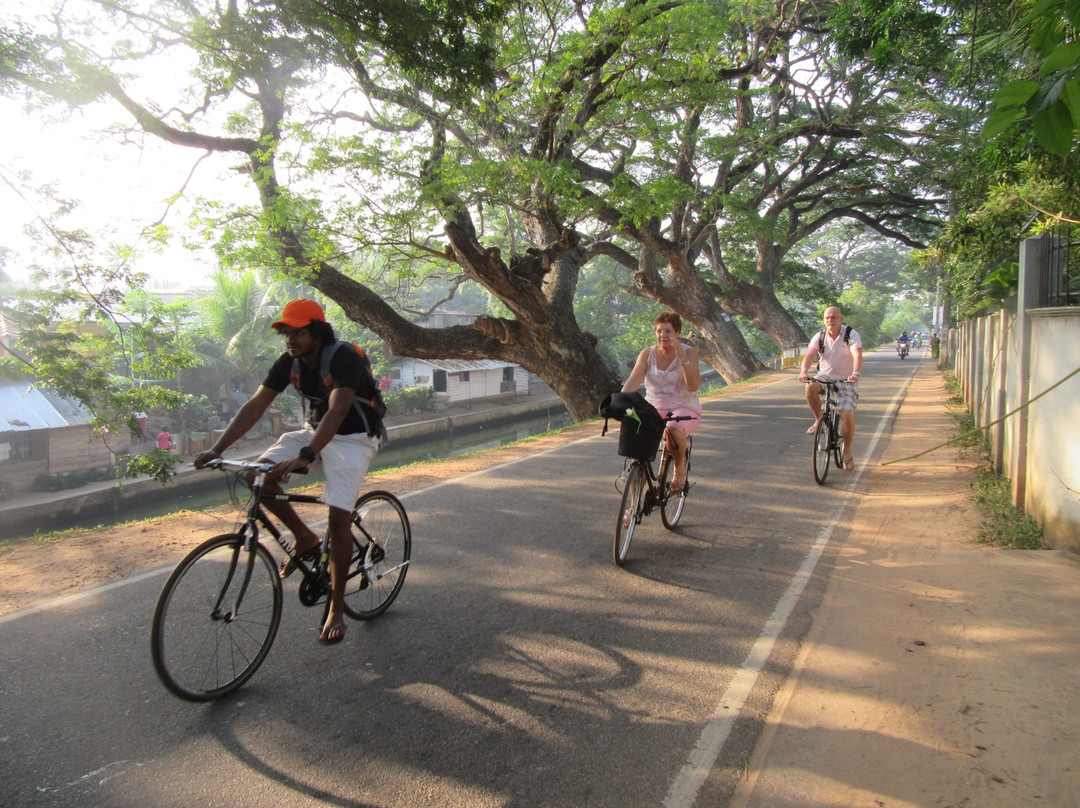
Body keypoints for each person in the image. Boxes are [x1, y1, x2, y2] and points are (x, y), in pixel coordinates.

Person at [195, 299, 383, 645]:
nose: (290, 338)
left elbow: (340, 407)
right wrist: (217, 449)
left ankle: (337, 608)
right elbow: (256, 406)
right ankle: (304, 537)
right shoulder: (290, 363)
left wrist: (307, 455)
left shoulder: (343, 356)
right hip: (316, 433)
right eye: (286, 331)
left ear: (317, 331)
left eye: (298, 331)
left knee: (338, 518)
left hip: (355, 438)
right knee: (256, 476)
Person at [621, 311, 702, 492]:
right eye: (659, 331)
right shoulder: (647, 353)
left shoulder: (690, 352)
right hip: (653, 408)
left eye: (667, 331)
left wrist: (682, 358)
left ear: (677, 333)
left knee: (672, 431)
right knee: (638, 456)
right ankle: (631, 509)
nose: (662, 335)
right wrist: (620, 400)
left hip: (684, 407)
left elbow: (694, 385)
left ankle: (679, 467)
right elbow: (632, 382)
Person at [799, 306, 863, 470]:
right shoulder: (819, 336)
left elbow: (857, 354)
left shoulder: (850, 334)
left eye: (834, 317)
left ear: (841, 318)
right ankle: (818, 419)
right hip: (824, 377)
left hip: (845, 379)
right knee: (810, 387)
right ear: (824, 319)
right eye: (827, 317)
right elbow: (810, 355)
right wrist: (804, 371)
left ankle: (847, 452)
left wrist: (855, 373)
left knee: (847, 413)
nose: (830, 320)